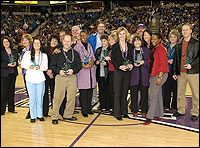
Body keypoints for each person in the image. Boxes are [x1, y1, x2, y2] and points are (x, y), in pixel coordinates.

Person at [50, 35, 82, 124]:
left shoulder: (75, 53)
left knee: (71, 97)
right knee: (57, 98)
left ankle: (68, 115)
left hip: (71, 78)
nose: (67, 43)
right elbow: (52, 66)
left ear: (71, 42)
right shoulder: (57, 53)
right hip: (60, 77)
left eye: (68, 41)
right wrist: (58, 71)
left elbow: (79, 66)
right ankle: (54, 116)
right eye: (65, 41)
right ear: (62, 42)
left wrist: (73, 70)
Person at [172, 23, 199, 121]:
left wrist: (192, 65)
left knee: (196, 94)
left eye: (187, 30)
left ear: (191, 31)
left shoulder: (196, 43)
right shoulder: (179, 44)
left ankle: (195, 112)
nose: (185, 32)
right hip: (181, 72)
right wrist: (175, 72)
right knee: (180, 93)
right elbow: (176, 59)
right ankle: (181, 110)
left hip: (193, 72)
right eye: (183, 30)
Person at [144, 33, 169, 125]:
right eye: (152, 39)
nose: (153, 41)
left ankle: (149, 117)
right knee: (157, 94)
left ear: (160, 40)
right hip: (155, 74)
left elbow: (162, 65)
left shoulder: (161, 49)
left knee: (153, 96)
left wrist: (159, 77)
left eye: (155, 39)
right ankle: (158, 113)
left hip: (160, 74)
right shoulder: (155, 48)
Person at [21, 38, 48, 123]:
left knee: (39, 98)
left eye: (38, 43)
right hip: (30, 79)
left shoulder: (44, 55)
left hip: (40, 79)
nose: (36, 45)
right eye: (35, 43)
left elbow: (46, 67)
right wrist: (29, 66)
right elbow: (23, 64)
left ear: (40, 45)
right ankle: (33, 116)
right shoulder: (27, 54)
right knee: (32, 98)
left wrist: (40, 67)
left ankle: (40, 115)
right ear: (33, 44)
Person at [111, 27, 133, 121]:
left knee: (124, 92)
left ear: (126, 35)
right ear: (118, 35)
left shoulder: (130, 46)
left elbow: (132, 58)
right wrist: (119, 66)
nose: (122, 36)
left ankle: (124, 112)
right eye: (120, 34)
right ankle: (117, 113)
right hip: (118, 72)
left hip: (127, 72)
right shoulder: (115, 46)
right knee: (118, 93)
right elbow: (113, 59)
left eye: (123, 34)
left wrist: (131, 64)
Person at [74, 30, 96, 117]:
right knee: (83, 92)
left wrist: (91, 62)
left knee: (90, 91)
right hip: (82, 72)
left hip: (90, 71)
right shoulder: (77, 47)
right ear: (79, 36)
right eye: (81, 35)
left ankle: (89, 108)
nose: (83, 37)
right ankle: (84, 110)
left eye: (85, 35)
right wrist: (83, 65)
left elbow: (93, 57)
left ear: (88, 36)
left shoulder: (90, 46)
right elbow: (76, 60)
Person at [130, 35, 151, 118]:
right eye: (135, 41)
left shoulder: (147, 51)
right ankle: (134, 110)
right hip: (134, 75)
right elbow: (127, 61)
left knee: (144, 94)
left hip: (144, 75)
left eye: (139, 40)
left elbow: (150, 62)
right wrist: (132, 64)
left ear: (141, 42)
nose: (137, 42)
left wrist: (144, 62)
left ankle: (144, 111)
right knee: (134, 94)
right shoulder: (130, 51)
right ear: (133, 43)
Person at [88, 21, 106, 106]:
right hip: (94, 62)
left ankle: (105, 100)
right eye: (99, 26)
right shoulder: (91, 37)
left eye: (102, 26)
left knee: (104, 81)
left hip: (105, 63)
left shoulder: (108, 37)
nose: (101, 28)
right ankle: (94, 99)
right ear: (97, 27)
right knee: (94, 81)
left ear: (105, 28)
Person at [162, 29, 180, 111]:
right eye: (171, 37)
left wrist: (174, 61)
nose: (172, 39)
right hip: (166, 71)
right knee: (166, 89)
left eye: (174, 37)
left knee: (175, 89)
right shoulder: (166, 47)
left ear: (177, 38)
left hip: (174, 71)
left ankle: (174, 105)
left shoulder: (179, 47)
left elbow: (180, 60)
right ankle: (166, 105)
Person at [42, 34, 60, 117]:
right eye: (53, 40)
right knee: (45, 93)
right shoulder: (45, 49)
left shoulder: (59, 50)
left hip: (54, 75)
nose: (54, 42)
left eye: (56, 41)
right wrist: (47, 71)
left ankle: (55, 110)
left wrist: (52, 71)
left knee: (54, 93)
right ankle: (45, 111)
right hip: (46, 74)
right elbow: (42, 61)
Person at [1, 36, 18, 115]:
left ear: (10, 42)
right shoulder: (1, 52)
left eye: (7, 41)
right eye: (4, 42)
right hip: (4, 75)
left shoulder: (14, 51)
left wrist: (16, 63)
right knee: (3, 92)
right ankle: (2, 110)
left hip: (13, 74)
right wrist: (7, 65)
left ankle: (11, 109)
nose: (6, 43)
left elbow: (17, 60)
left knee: (11, 92)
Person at [94, 34, 111, 111]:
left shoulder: (111, 50)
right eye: (102, 41)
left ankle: (108, 105)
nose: (103, 42)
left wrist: (107, 63)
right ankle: (102, 105)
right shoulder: (98, 50)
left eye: (104, 41)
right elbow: (95, 59)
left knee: (108, 90)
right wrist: (96, 62)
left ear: (108, 41)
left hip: (108, 73)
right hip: (100, 72)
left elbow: (113, 61)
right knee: (101, 90)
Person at [18, 33, 33, 119]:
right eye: (23, 40)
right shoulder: (23, 51)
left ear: (29, 40)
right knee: (29, 93)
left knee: (33, 93)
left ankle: (33, 111)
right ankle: (31, 110)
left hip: (33, 74)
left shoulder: (33, 49)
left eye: (26, 40)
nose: (25, 41)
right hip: (25, 74)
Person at [108, 34, 118, 113]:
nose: (110, 41)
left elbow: (116, 60)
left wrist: (110, 58)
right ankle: (113, 107)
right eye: (110, 40)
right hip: (111, 70)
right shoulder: (111, 49)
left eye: (112, 40)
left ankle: (116, 108)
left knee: (115, 90)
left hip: (115, 71)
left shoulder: (116, 49)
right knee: (112, 90)